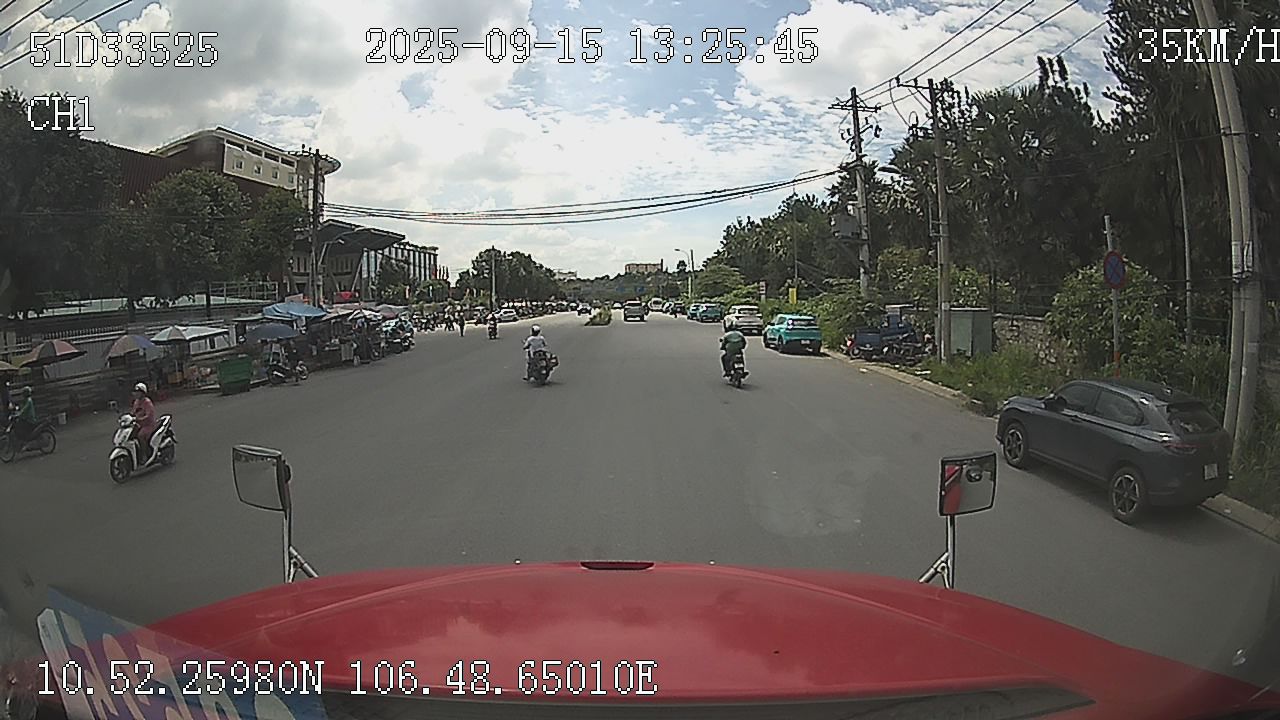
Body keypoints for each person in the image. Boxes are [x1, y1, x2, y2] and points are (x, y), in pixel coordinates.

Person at [130, 383, 157, 461]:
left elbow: (148, 416)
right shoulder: (136, 402)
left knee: (140, 436)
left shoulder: (147, 402)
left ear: (143, 393)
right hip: (138, 424)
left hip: (148, 425)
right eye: (135, 392)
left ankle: (144, 455)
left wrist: (139, 419)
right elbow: (133, 412)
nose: (136, 394)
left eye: (138, 392)